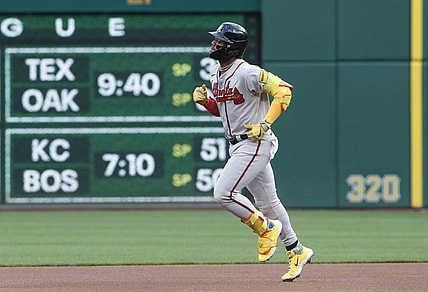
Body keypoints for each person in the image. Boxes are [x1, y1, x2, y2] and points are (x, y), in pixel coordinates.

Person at [192, 22, 313, 281]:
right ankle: (297, 251)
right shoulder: (216, 75)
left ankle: (265, 228)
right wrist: (207, 103)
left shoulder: (248, 73)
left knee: (223, 193)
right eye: (215, 40)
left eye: (220, 41)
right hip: (237, 143)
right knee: (268, 203)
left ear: (232, 47)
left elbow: (284, 91)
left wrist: (266, 123)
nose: (214, 44)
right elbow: (226, 111)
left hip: (254, 142)